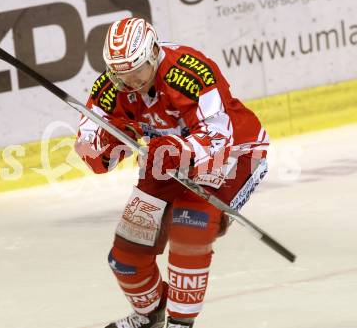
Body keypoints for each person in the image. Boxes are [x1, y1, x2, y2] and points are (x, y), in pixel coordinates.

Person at [75, 17, 269, 328]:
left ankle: (180, 323)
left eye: (137, 72)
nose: (130, 83)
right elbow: (89, 148)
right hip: (163, 160)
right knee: (127, 256)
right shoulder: (111, 87)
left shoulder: (189, 72)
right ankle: (150, 315)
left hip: (233, 154)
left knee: (189, 230)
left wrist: (179, 149)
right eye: (120, 75)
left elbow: (219, 136)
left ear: (152, 53)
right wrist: (105, 146)